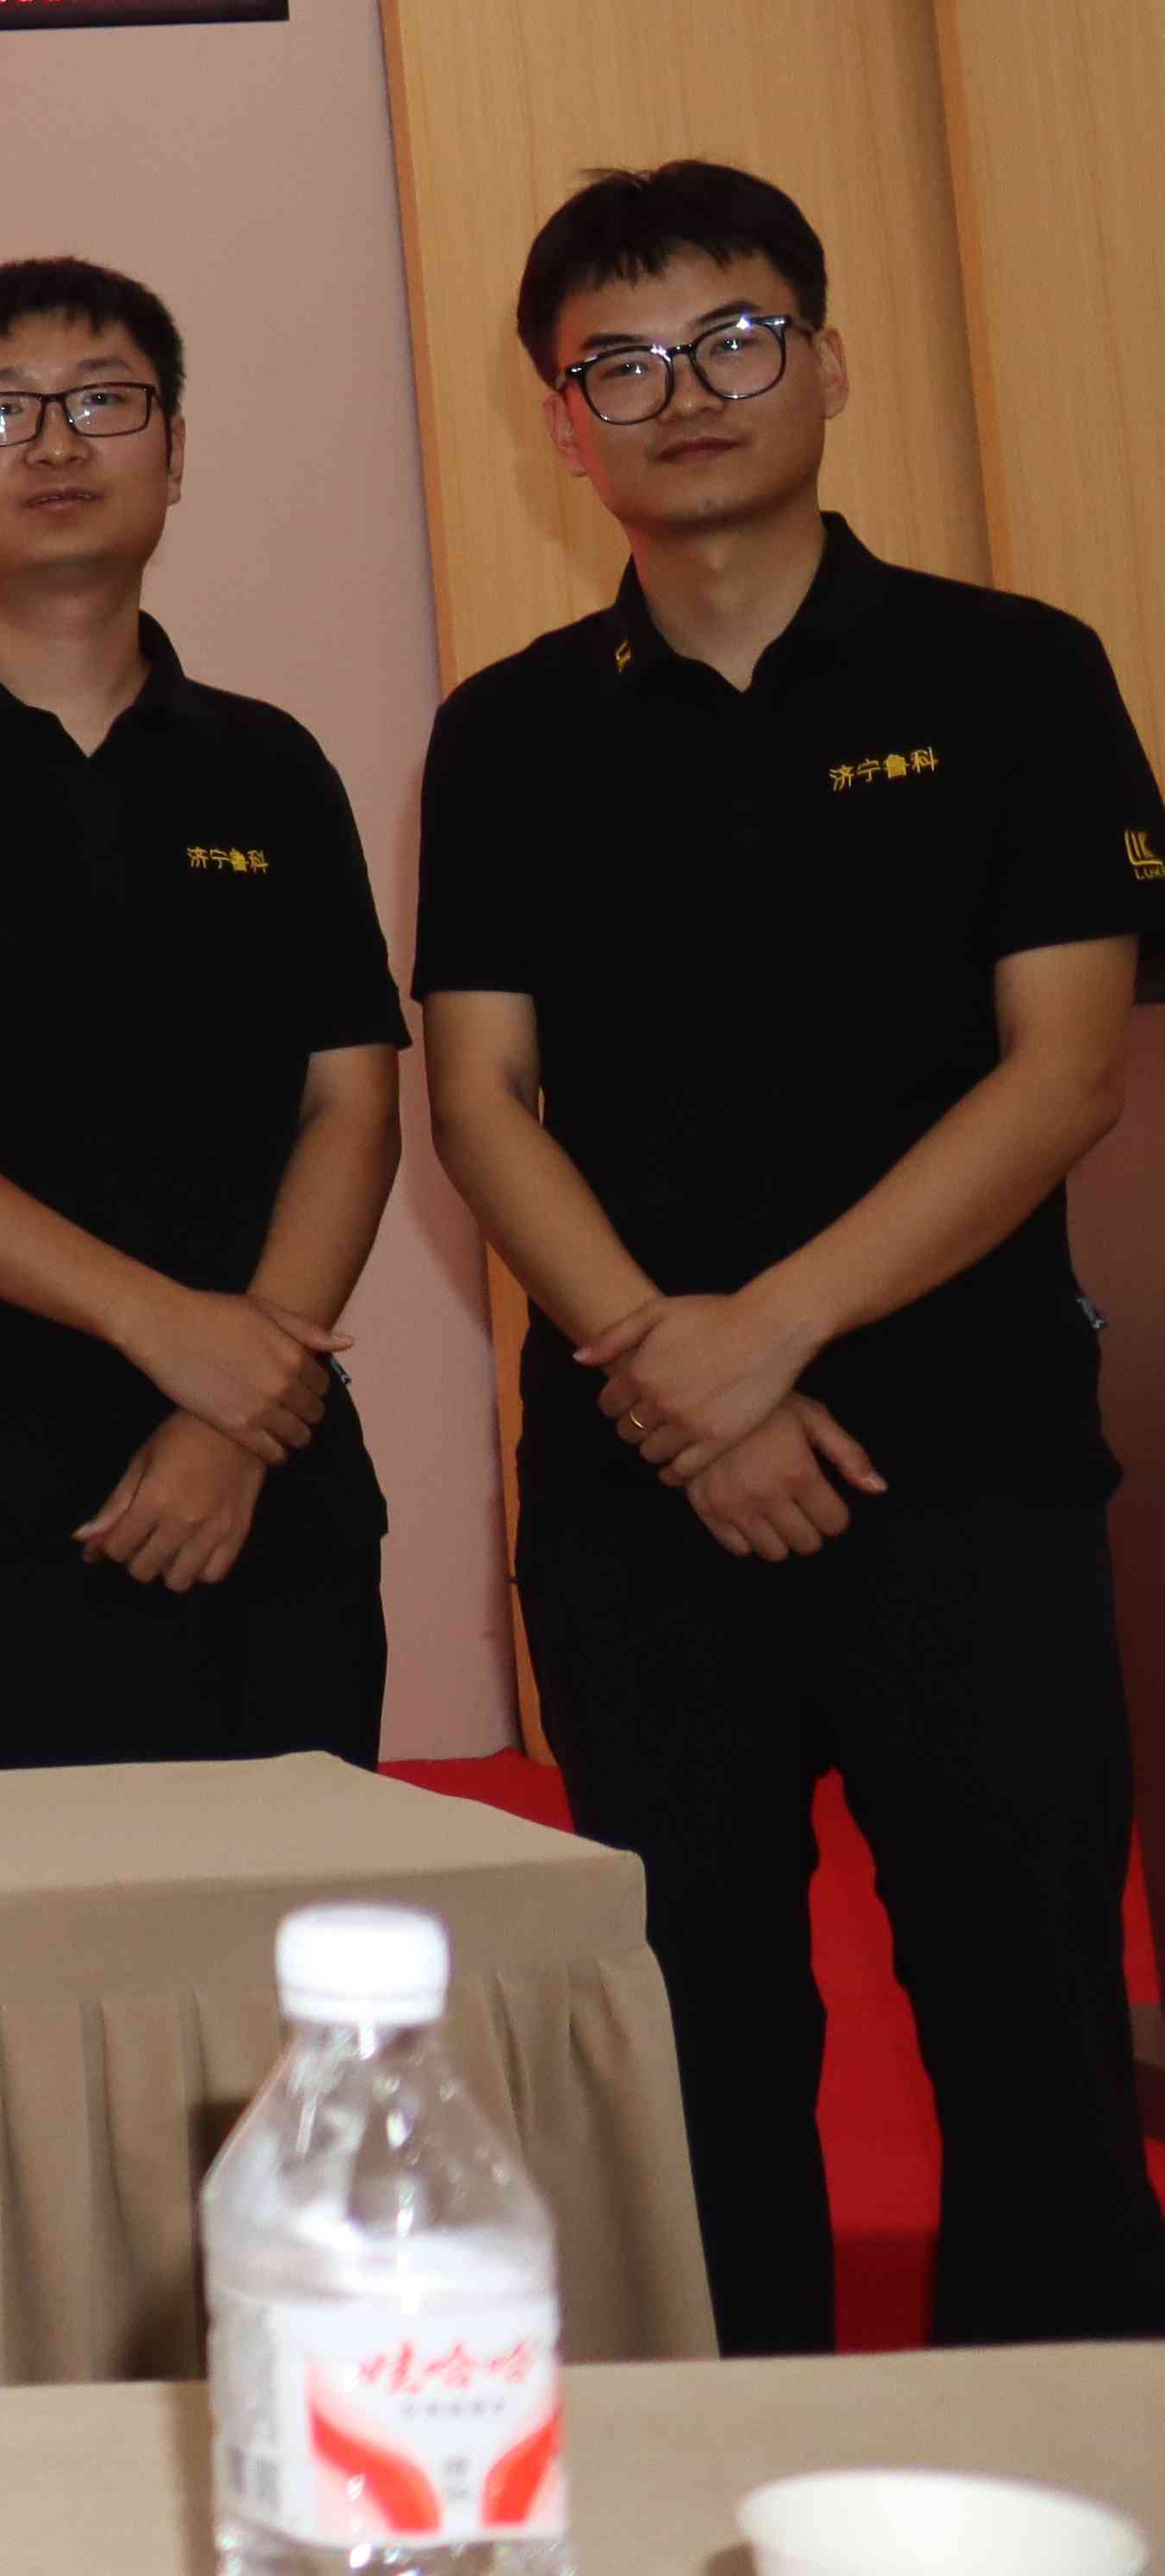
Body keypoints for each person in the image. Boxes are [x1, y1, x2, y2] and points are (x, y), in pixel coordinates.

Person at [411, 159, 1165, 2355]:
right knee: (692, 2043)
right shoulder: (508, 727)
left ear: (826, 361)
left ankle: (1062, 2481)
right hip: (636, 1494)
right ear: (565, 426)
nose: (687, 392)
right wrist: (674, 1375)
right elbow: (480, 1098)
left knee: (1029, 2017)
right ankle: (718, 2484)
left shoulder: (1016, 671)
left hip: (972, 1459)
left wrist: (768, 1335)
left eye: (735, 337)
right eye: (622, 363)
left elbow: (1062, 1070)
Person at [0, 257, 405, 1768]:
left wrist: (237, 1411)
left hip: (273, 1490)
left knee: (301, 1916)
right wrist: (160, 1328)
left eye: (105, 402)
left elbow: (351, 1102)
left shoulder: (269, 765)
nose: (57, 444)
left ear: (175, 450)